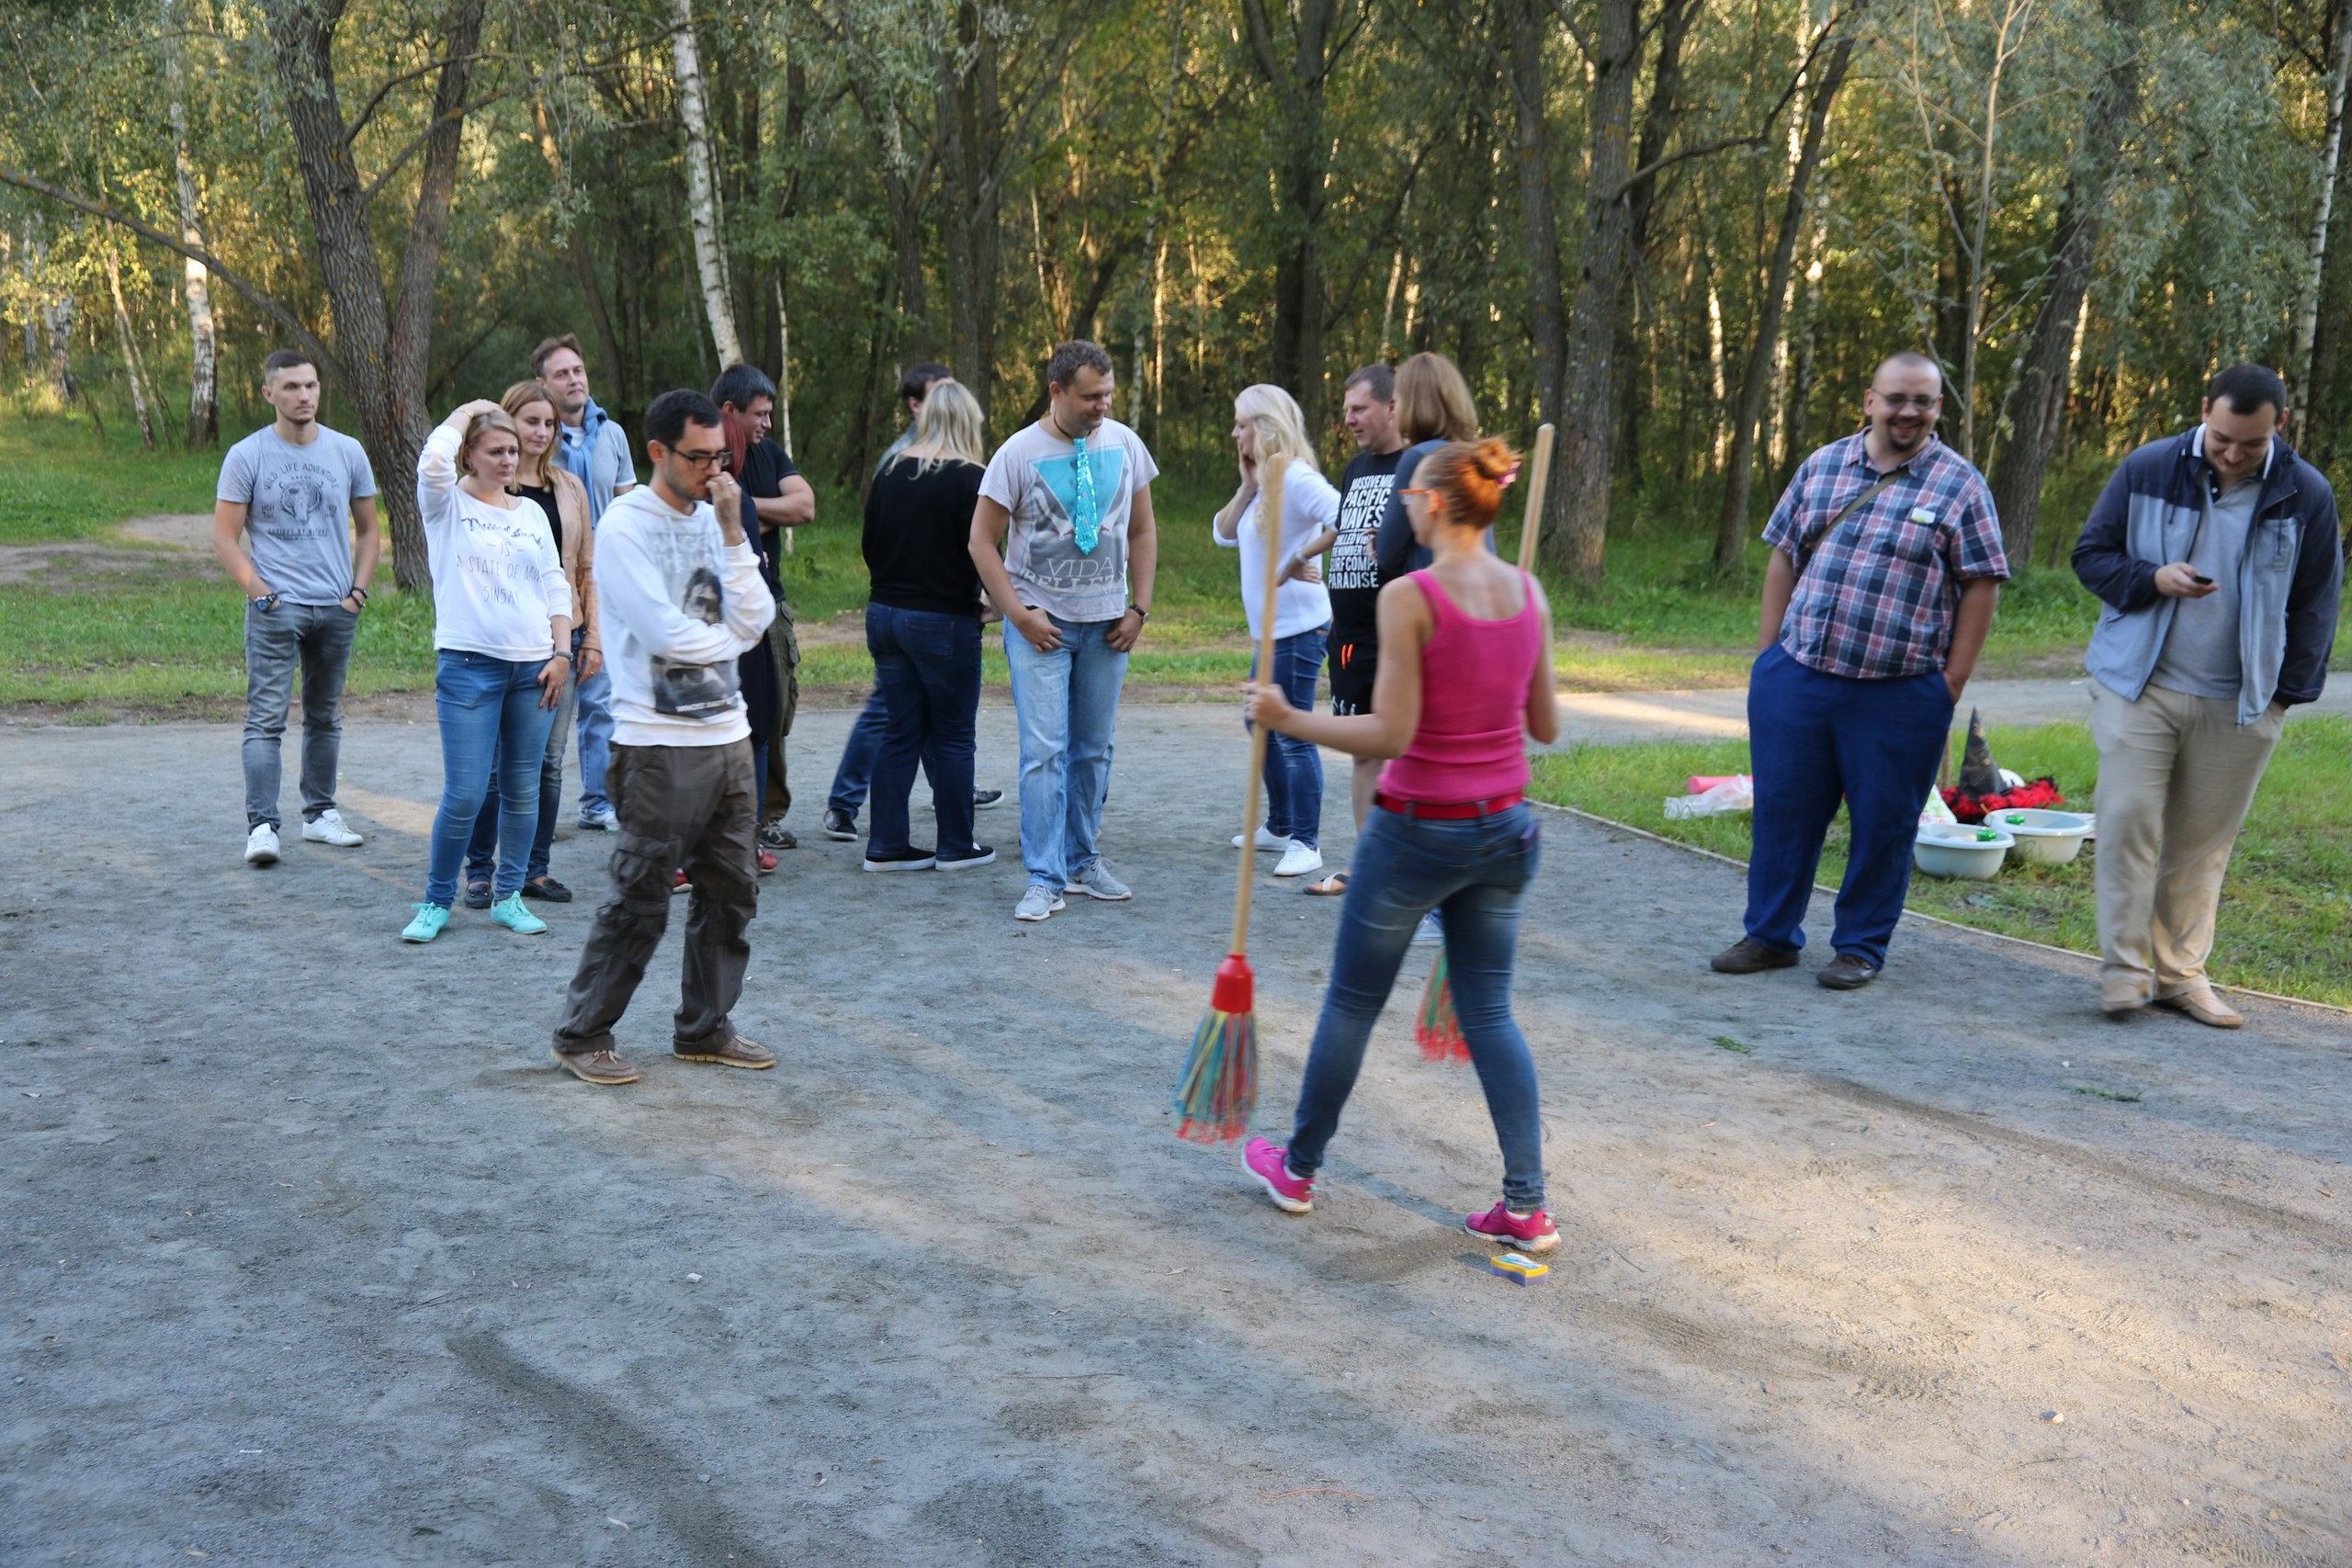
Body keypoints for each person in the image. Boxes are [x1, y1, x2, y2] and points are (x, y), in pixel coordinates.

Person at [1238, 438, 1565, 1255]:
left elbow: (1388, 733)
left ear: (1436, 504)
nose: (1400, 507)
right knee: (1490, 1012)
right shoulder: (1527, 592)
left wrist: (1286, 716)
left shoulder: (1409, 595)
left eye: (1409, 496)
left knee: (1352, 1003)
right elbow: (1545, 725)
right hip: (1504, 828)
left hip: (1418, 829)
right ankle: (1527, 1207)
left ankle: (1298, 1169)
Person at [1710, 350, 2007, 990]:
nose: (1909, 411)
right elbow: (1783, 556)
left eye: (1923, 401)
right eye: (1896, 398)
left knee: (1883, 825)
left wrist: (1950, 683)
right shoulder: (1822, 466)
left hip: (1900, 692)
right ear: (1871, 401)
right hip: (1799, 679)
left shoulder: (1960, 485)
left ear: (1938, 408)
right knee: (1783, 814)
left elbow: (1982, 583)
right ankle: (1769, 936)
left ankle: (1860, 947)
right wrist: (1768, 659)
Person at [2073, 363, 2342, 1026]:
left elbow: (2317, 602)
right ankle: (2124, 973)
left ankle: (2179, 977)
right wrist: (2152, 578)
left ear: (2281, 425)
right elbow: (2091, 555)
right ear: (2204, 411)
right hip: (2139, 686)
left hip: (2241, 702)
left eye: (2251, 443)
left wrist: (2282, 697)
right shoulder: (2148, 466)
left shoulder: (2306, 493)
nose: (2233, 453)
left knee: (2200, 847)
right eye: (2222, 438)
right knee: (2127, 820)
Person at [549, 389, 777, 1087]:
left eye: (721, 457)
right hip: (656, 743)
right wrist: (734, 637)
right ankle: (584, 1033)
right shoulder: (625, 527)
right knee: (640, 898)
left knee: (732, 891)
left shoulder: (717, 521)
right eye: (699, 457)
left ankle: (705, 1027)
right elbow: (666, 635)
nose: (714, 470)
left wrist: (735, 534)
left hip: (729, 735)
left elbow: (760, 613)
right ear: (657, 451)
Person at [968, 340, 1160, 922]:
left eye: (1108, 395)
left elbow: (1143, 531)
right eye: (1091, 397)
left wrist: (1139, 609)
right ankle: (1043, 877)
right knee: (1044, 753)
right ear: (1057, 392)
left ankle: (1082, 860)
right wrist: (1017, 614)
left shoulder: (1126, 444)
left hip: (1107, 626)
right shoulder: (1017, 453)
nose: (1103, 406)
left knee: (1093, 750)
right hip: (1040, 626)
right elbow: (981, 542)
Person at [400, 401, 573, 943]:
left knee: (522, 789)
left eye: (513, 451)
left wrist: (562, 653)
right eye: (495, 451)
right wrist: (472, 409)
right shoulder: (445, 504)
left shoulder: (532, 514)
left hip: (535, 668)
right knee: (466, 793)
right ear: (469, 455)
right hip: (469, 667)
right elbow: (432, 461)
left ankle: (509, 896)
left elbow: (555, 583)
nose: (508, 460)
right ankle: (436, 901)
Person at [213, 348, 380, 866]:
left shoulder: (347, 450)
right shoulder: (247, 455)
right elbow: (224, 538)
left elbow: (370, 529)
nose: (303, 395)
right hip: (276, 609)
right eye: (291, 387)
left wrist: (356, 594)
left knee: (325, 717)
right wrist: (262, 594)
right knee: (266, 720)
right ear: (269, 393)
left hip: (335, 607)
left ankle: (320, 814)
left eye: (310, 385)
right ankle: (262, 827)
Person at [826, 361, 1001, 839]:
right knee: (954, 735)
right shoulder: (973, 478)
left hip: (884, 615)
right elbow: (983, 550)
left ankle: (886, 845)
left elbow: (870, 545)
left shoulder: (889, 470)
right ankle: (956, 844)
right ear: (967, 421)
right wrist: (993, 600)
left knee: (899, 732)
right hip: (944, 619)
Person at [459, 380, 601, 906]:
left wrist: (591, 639)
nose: (541, 432)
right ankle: (480, 871)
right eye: (530, 422)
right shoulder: (483, 486)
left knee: (548, 762)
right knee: (494, 770)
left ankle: (533, 871)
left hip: (563, 640)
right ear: (507, 422)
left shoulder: (569, 488)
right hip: (500, 643)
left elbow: (585, 568)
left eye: (549, 424)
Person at [1282, 363, 1408, 895]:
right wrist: (1300, 556)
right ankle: (1369, 866)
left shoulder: (1417, 464)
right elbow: (1343, 527)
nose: (1349, 419)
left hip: (1396, 636)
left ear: (1392, 407)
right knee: (1363, 753)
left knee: (1401, 751)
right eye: (1345, 410)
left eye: (1359, 408)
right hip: (1349, 637)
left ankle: (1407, 872)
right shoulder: (1357, 467)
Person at [1368, 353, 1480, 941]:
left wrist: (1373, 548)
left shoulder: (1418, 460)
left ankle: (1426, 900)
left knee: (1414, 755)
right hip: (1477, 616)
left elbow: (1390, 549)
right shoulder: (1476, 459)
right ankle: (1457, 895)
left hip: (1427, 614)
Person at [1214, 383, 1337, 881]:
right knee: (1258, 722)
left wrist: (1305, 556)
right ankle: (1283, 825)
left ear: (1264, 427)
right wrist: (1247, 485)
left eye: (1242, 423)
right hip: (1271, 631)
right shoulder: (1265, 481)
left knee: (1291, 731)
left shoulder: (1298, 477)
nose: (1235, 432)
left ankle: (1306, 842)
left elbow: (1346, 516)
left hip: (1300, 627)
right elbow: (1223, 532)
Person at [712, 364, 816, 863]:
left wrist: (742, 506)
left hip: (767, 606)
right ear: (729, 410)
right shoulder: (701, 454)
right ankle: (726, 830)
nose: (767, 424)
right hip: (718, 618)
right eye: (759, 414)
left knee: (771, 715)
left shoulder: (767, 454)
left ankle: (763, 820)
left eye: (771, 414)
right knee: (727, 721)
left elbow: (805, 507)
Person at [534, 333, 636, 834]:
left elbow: (629, 508)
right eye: (561, 374)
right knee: (546, 704)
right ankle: (531, 808)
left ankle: (597, 802)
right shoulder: (533, 439)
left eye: (578, 370)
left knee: (600, 699)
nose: (574, 380)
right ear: (542, 385)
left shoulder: (613, 435)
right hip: (545, 589)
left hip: (602, 585)